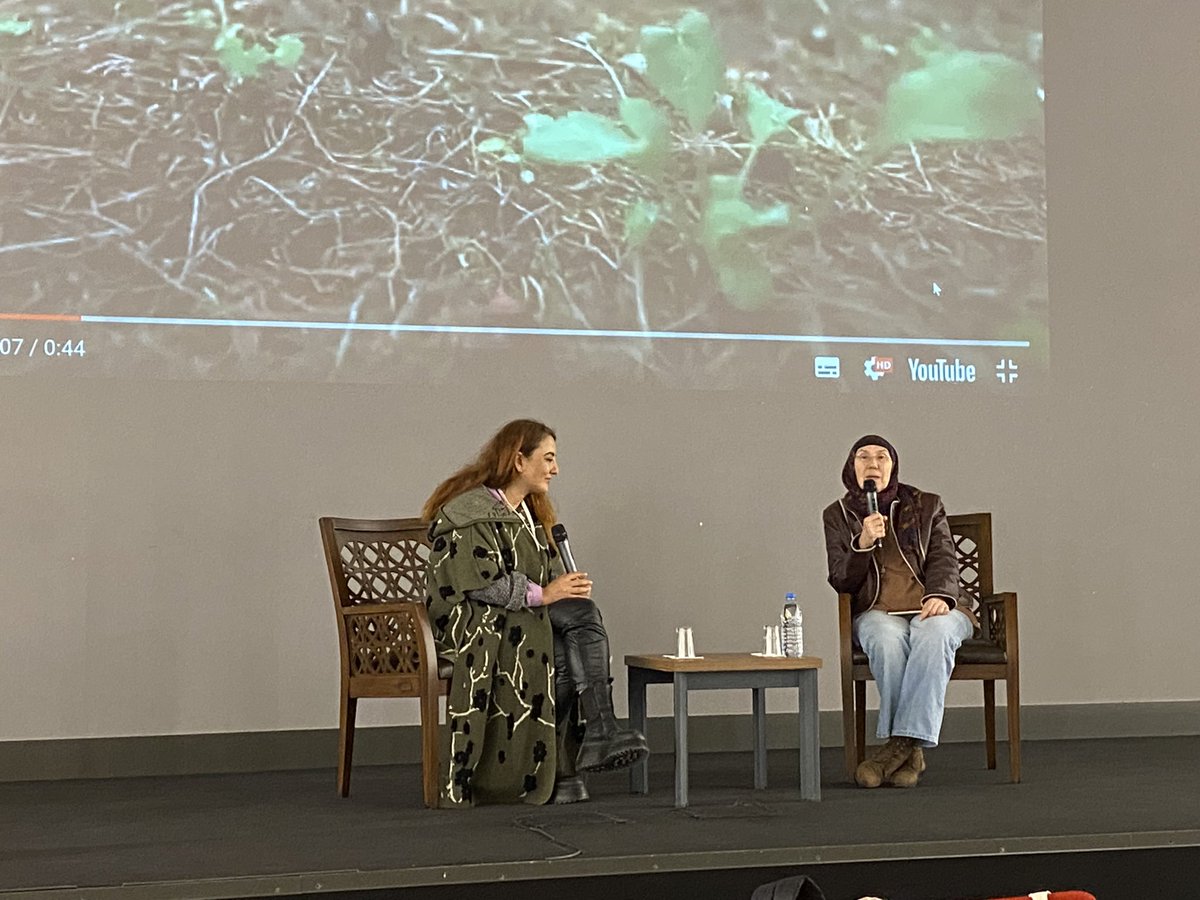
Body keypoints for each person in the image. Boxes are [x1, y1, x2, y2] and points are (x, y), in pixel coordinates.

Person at [422, 419, 648, 807]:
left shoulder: (528, 513)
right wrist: (546, 594)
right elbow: (479, 584)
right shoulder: (469, 511)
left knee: (565, 641)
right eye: (548, 458)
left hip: (519, 615)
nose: (555, 469)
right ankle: (592, 738)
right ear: (518, 460)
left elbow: (541, 573)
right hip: (471, 621)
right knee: (576, 619)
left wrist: (561, 588)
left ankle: (565, 769)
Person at [822, 434, 978, 788]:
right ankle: (911, 753)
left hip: (934, 606)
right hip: (879, 612)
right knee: (885, 639)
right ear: (852, 467)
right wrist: (861, 544)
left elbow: (944, 558)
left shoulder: (926, 504)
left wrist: (940, 595)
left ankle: (898, 747)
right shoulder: (837, 515)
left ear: (893, 466)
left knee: (934, 632)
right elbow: (841, 581)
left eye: (881, 457)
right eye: (863, 457)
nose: (873, 463)